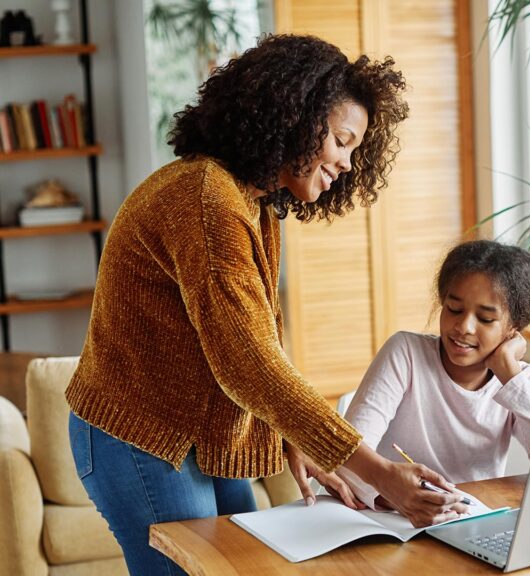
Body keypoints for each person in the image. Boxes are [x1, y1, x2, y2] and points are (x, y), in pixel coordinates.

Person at [64, 34, 465, 576]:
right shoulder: (204, 199)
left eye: (356, 151)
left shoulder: (253, 204)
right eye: (343, 141)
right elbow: (248, 361)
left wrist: (290, 433)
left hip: (196, 434)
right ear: (294, 118)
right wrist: (377, 470)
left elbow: (258, 343)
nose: (348, 163)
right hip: (140, 437)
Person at [339, 240, 530, 509]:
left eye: (485, 319)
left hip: (471, 518)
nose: (463, 327)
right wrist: (401, 499)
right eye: (454, 309)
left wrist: (509, 372)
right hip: (393, 515)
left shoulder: (520, 381)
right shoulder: (405, 353)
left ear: (514, 328)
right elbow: (347, 456)